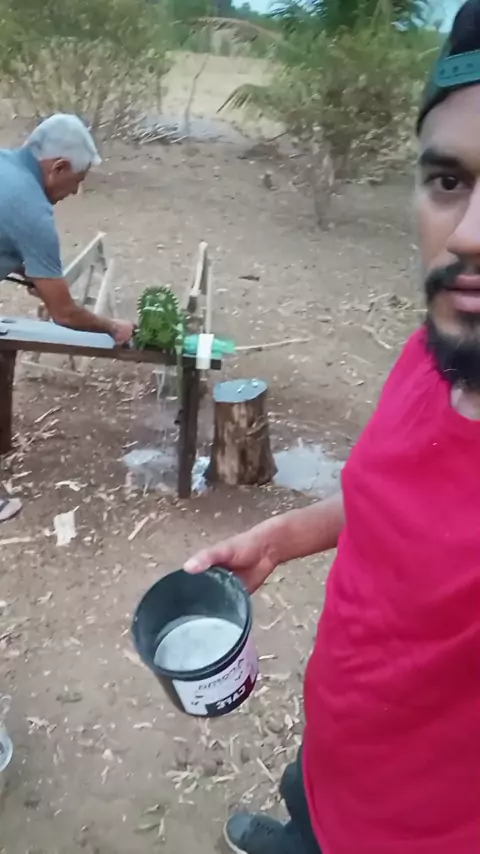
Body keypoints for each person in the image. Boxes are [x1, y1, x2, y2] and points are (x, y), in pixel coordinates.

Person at [184, 3, 480, 853]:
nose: (467, 236)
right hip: (344, 742)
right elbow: (398, 492)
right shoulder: (438, 350)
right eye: (449, 181)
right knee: (304, 805)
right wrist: (286, 536)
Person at [0, 113, 135, 522]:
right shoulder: (31, 208)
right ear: (57, 167)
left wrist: (32, 275)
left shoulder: (6, 165)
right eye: (76, 181)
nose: (74, 192)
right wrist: (112, 326)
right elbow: (64, 314)